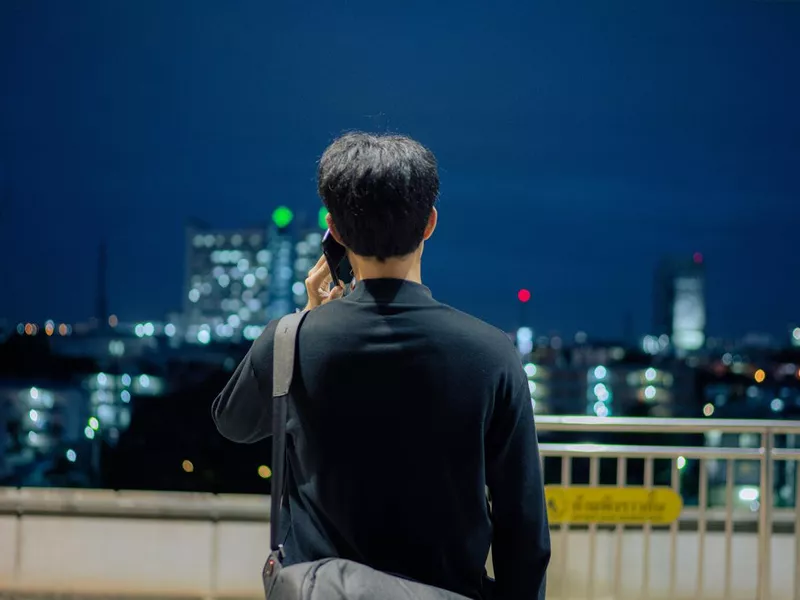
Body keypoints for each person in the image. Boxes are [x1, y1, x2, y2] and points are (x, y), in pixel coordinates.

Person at [212, 132, 550, 600]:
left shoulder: (291, 340)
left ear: (335, 229)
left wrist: (308, 316)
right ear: (430, 223)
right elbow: (523, 523)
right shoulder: (492, 353)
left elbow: (233, 423)